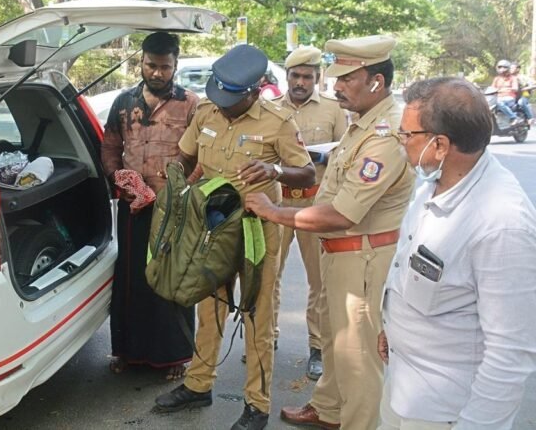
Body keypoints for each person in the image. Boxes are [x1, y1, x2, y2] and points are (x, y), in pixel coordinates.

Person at [245, 35, 415, 430]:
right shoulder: (362, 124)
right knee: (338, 341)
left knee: (358, 357)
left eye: (345, 79)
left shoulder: (384, 136)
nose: (335, 86)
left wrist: (274, 211)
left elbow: (341, 213)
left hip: (362, 257)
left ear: (375, 81)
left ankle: (356, 422)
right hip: (342, 254)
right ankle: (329, 409)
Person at [153, 44, 316, 430]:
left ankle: (256, 405)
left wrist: (275, 171)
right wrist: (174, 177)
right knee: (209, 309)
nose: (223, 105)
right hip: (210, 230)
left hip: (255, 229)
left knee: (258, 317)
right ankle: (198, 384)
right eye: (219, 96)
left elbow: (306, 173)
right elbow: (187, 157)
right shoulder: (206, 112)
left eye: (232, 100)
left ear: (256, 91)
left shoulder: (278, 121)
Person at [377, 77, 536, 429]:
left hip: (447, 412)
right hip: (405, 387)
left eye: (407, 135)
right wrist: (392, 324)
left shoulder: (501, 223)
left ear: (440, 144)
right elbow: (411, 264)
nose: (401, 143)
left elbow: (511, 353)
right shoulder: (436, 185)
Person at [100, 32, 199, 380]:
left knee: (170, 281)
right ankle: (128, 352)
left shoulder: (191, 104)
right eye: (151, 65)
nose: (157, 73)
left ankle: (175, 356)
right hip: (133, 208)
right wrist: (120, 180)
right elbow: (110, 147)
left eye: (164, 67)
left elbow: (202, 156)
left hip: (173, 209)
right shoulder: (123, 102)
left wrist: (181, 190)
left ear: (175, 65)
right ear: (140, 62)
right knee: (131, 280)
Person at [268, 46, 348, 380]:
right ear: (286, 77)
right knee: (269, 274)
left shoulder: (333, 111)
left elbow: (348, 154)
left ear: (317, 78)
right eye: (295, 76)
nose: (300, 82)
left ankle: (317, 347)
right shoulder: (268, 110)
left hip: (315, 203)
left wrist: (327, 158)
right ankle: (266, 338)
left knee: (320, 280)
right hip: (277, 202)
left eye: (307, 77)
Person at [491, 59, 526, 125]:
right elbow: (492, 88)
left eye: (504, 67)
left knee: (499, 103)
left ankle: (513, 117)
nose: (502, 69)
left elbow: (515, 88)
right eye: (500, 67)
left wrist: (506, 89)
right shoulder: (496, 79)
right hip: (498, 97)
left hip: (509, 97)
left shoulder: (513, 78)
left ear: (508, 68)